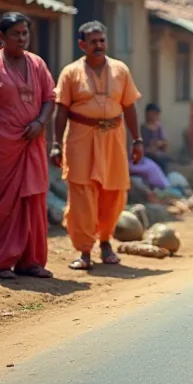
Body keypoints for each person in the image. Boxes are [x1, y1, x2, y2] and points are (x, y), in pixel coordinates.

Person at [50, 21, 143, 271]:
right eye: (93, 41)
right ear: (82, 45)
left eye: (102, 40)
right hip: (80, 137)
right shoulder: (70, 73)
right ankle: (84, 251)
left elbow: (129, 107)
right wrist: (56, 144)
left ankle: (105, 242)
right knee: (82, 195)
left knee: (113, 193)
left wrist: (137, 140)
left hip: (113, 137)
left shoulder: (120, 70)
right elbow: (60, 111)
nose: (98, 45)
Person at [0, 13, 55, 279]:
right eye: (15, 34)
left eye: (25, 33)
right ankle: (0, 262)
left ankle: (30, 261)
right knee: (3, 204)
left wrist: (41, 122)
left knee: (33, 199)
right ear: (1, 37)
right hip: (2, 147)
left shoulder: (37, 64)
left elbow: (49, 97)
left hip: (32, 143)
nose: (22, 38)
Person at [141, 103, 170, 171]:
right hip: (147, 155)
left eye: (156, 114)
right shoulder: (143, 128)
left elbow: (165, 141)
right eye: (153, 113)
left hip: (159, 155)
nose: (155, 116)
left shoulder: (159, 127)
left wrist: (160, 143)